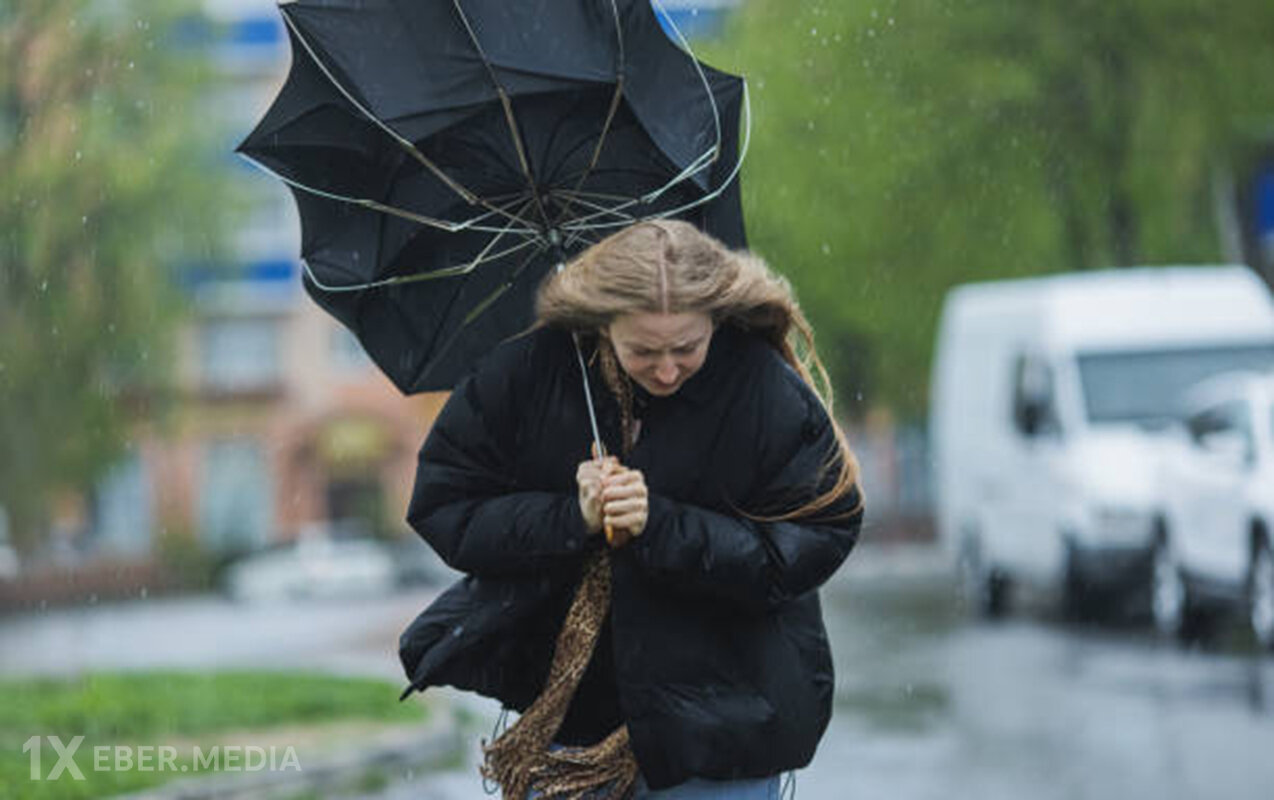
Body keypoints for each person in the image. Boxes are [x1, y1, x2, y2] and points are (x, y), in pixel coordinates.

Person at [398, 220, 864, 799]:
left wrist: (662, 525)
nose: (667, 369)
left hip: (721, 738)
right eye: (643, 350)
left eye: (687, 347)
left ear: (716, 318)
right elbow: (447, 507)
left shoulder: (762, 389)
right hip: (570, 734)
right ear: (602, 324)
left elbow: (813, 537)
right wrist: (573, 517)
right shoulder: (528, 374)